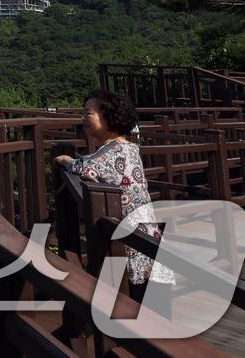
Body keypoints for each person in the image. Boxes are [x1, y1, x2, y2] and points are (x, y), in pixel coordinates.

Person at [53, 90, 175, 307]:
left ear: (109, 116)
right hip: (146, 238)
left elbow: (87, 167)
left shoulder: (115, 151)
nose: (83, 118)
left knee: (140, 310)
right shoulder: (127, 147)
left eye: (88, 113)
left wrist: (66, 161)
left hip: (134, 244)